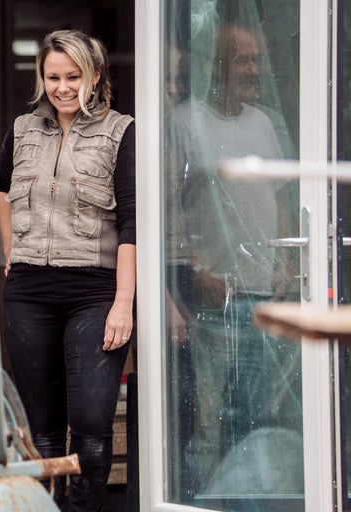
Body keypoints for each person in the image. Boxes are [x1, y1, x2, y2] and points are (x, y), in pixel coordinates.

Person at [0, 29, 135, 511]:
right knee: (42, 428)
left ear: (94, 77)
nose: (63, 87)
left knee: (92, 425)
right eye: (53, 77)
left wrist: (123, 304)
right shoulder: (23, 129)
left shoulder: (121, 131)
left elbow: (132, 224)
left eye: (73, 76)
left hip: (94, 291)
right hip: (29, 293)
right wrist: (11, 251)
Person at [166, 22, 301, 498]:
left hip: (265, 296)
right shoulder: (184, 121)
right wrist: (195, 271)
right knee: (208, 424)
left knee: (257, 421)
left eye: (256, 59)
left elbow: (280, 198)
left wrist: (285, 261)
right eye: (243, 59)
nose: (254, 69)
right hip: (214, 301)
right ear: (215, 66)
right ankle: (202, 506)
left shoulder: (263, 122)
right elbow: (169, 205)